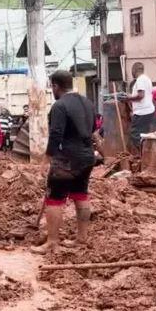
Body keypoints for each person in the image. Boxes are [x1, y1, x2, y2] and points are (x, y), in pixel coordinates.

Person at [32, 70, 96, 254]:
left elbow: (56, 134)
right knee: (81, 195)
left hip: (66, 160)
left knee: (55, 199)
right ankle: (81, 239)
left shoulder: (59, 106)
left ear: (55, 86)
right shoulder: (87, 102)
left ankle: (52, 242)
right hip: (87, 156)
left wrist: (47, 159)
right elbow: (93, 128)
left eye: (51, 86)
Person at [122, 62, 156, 152]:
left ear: (134, 70)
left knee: (135, 135)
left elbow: (141, 95)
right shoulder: (147, 79)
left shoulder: (140, 80)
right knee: (144, 134)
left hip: (142, 112)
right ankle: (145, 153)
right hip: (148, 110)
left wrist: (128, 98)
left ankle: (143, 154)